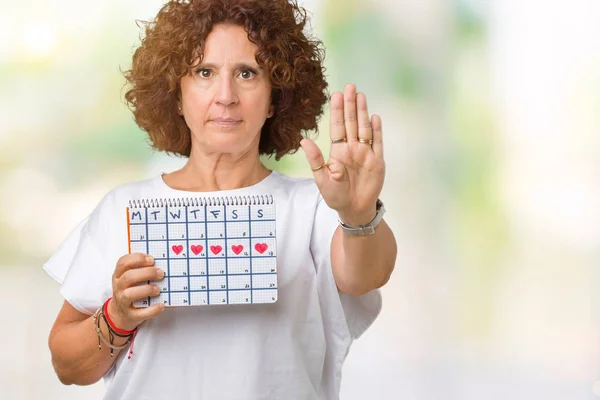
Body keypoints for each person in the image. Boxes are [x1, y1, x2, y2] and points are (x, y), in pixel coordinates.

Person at [43, 0, 397, 399]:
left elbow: (364, 276)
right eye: (204, 72)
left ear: (274, 98)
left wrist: (358, 213)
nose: (225, 95)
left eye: (247, 73)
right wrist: (116, 317)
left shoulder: (313, 206)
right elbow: (66, 365)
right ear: (176, 94)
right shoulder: (122, 210)